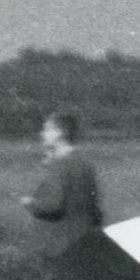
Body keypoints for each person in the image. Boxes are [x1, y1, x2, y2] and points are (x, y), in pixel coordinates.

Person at [22, 111, 103, 265]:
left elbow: (53, 205)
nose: (42, 134)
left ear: (60, 133)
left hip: (58, 246)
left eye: (47, 130)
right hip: (84, 242)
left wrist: (30, 203)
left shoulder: (59, 165)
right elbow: (94, 209)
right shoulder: (85, 164)